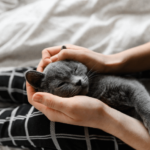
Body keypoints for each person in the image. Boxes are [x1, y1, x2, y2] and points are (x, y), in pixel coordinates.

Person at [27, 43, 150, 150]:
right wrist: (107, 61)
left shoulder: (101, 83)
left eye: (75, 70)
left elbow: (133, 89)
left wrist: (102, 116)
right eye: (62, 84)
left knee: (34, 126)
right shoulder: (92, 78)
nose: (77, 80)